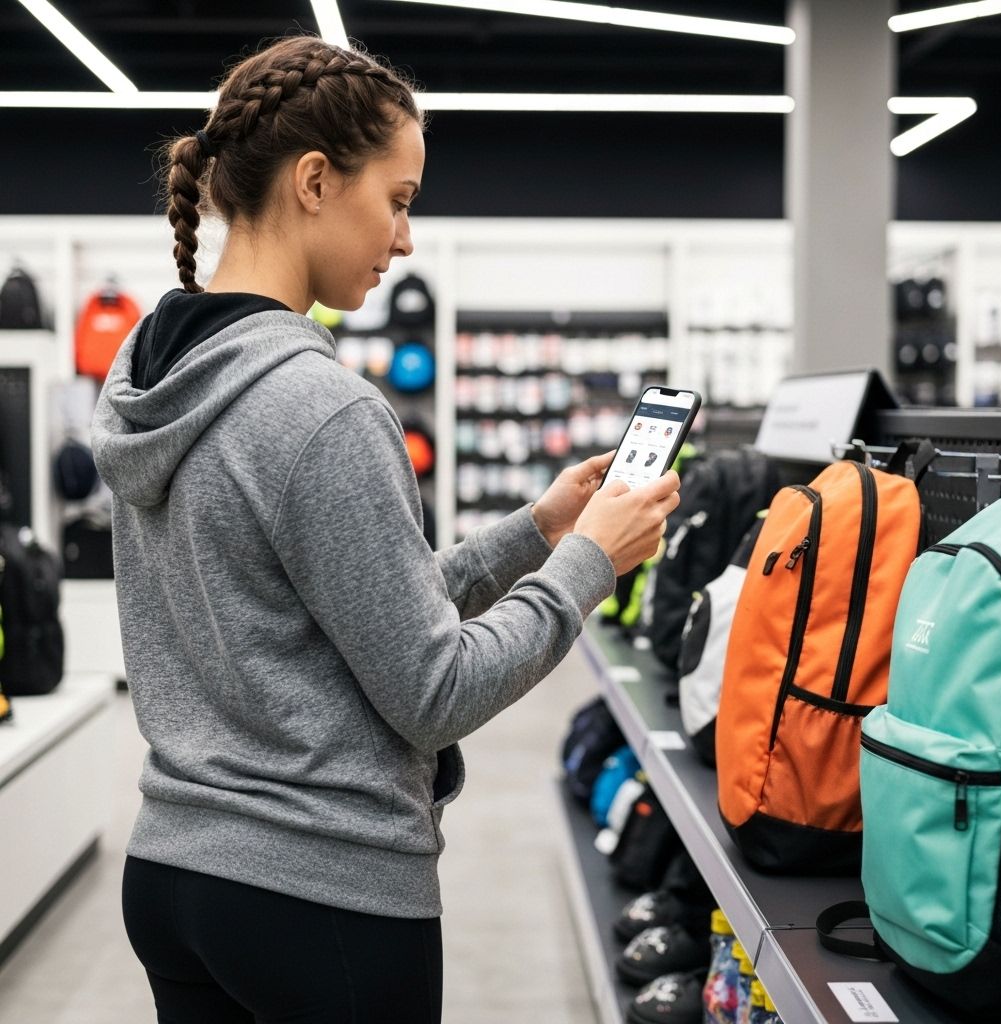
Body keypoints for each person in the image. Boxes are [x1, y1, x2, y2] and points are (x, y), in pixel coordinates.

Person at [91, 34, 680, 1024]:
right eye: (399, 199)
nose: (405, 237)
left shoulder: (154, 379)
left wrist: (537, 530)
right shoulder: (321, 403)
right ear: (315, 181)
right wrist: (589, 565)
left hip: (174, 875)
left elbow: (339, 618)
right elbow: (433, 690)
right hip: (319, 896)